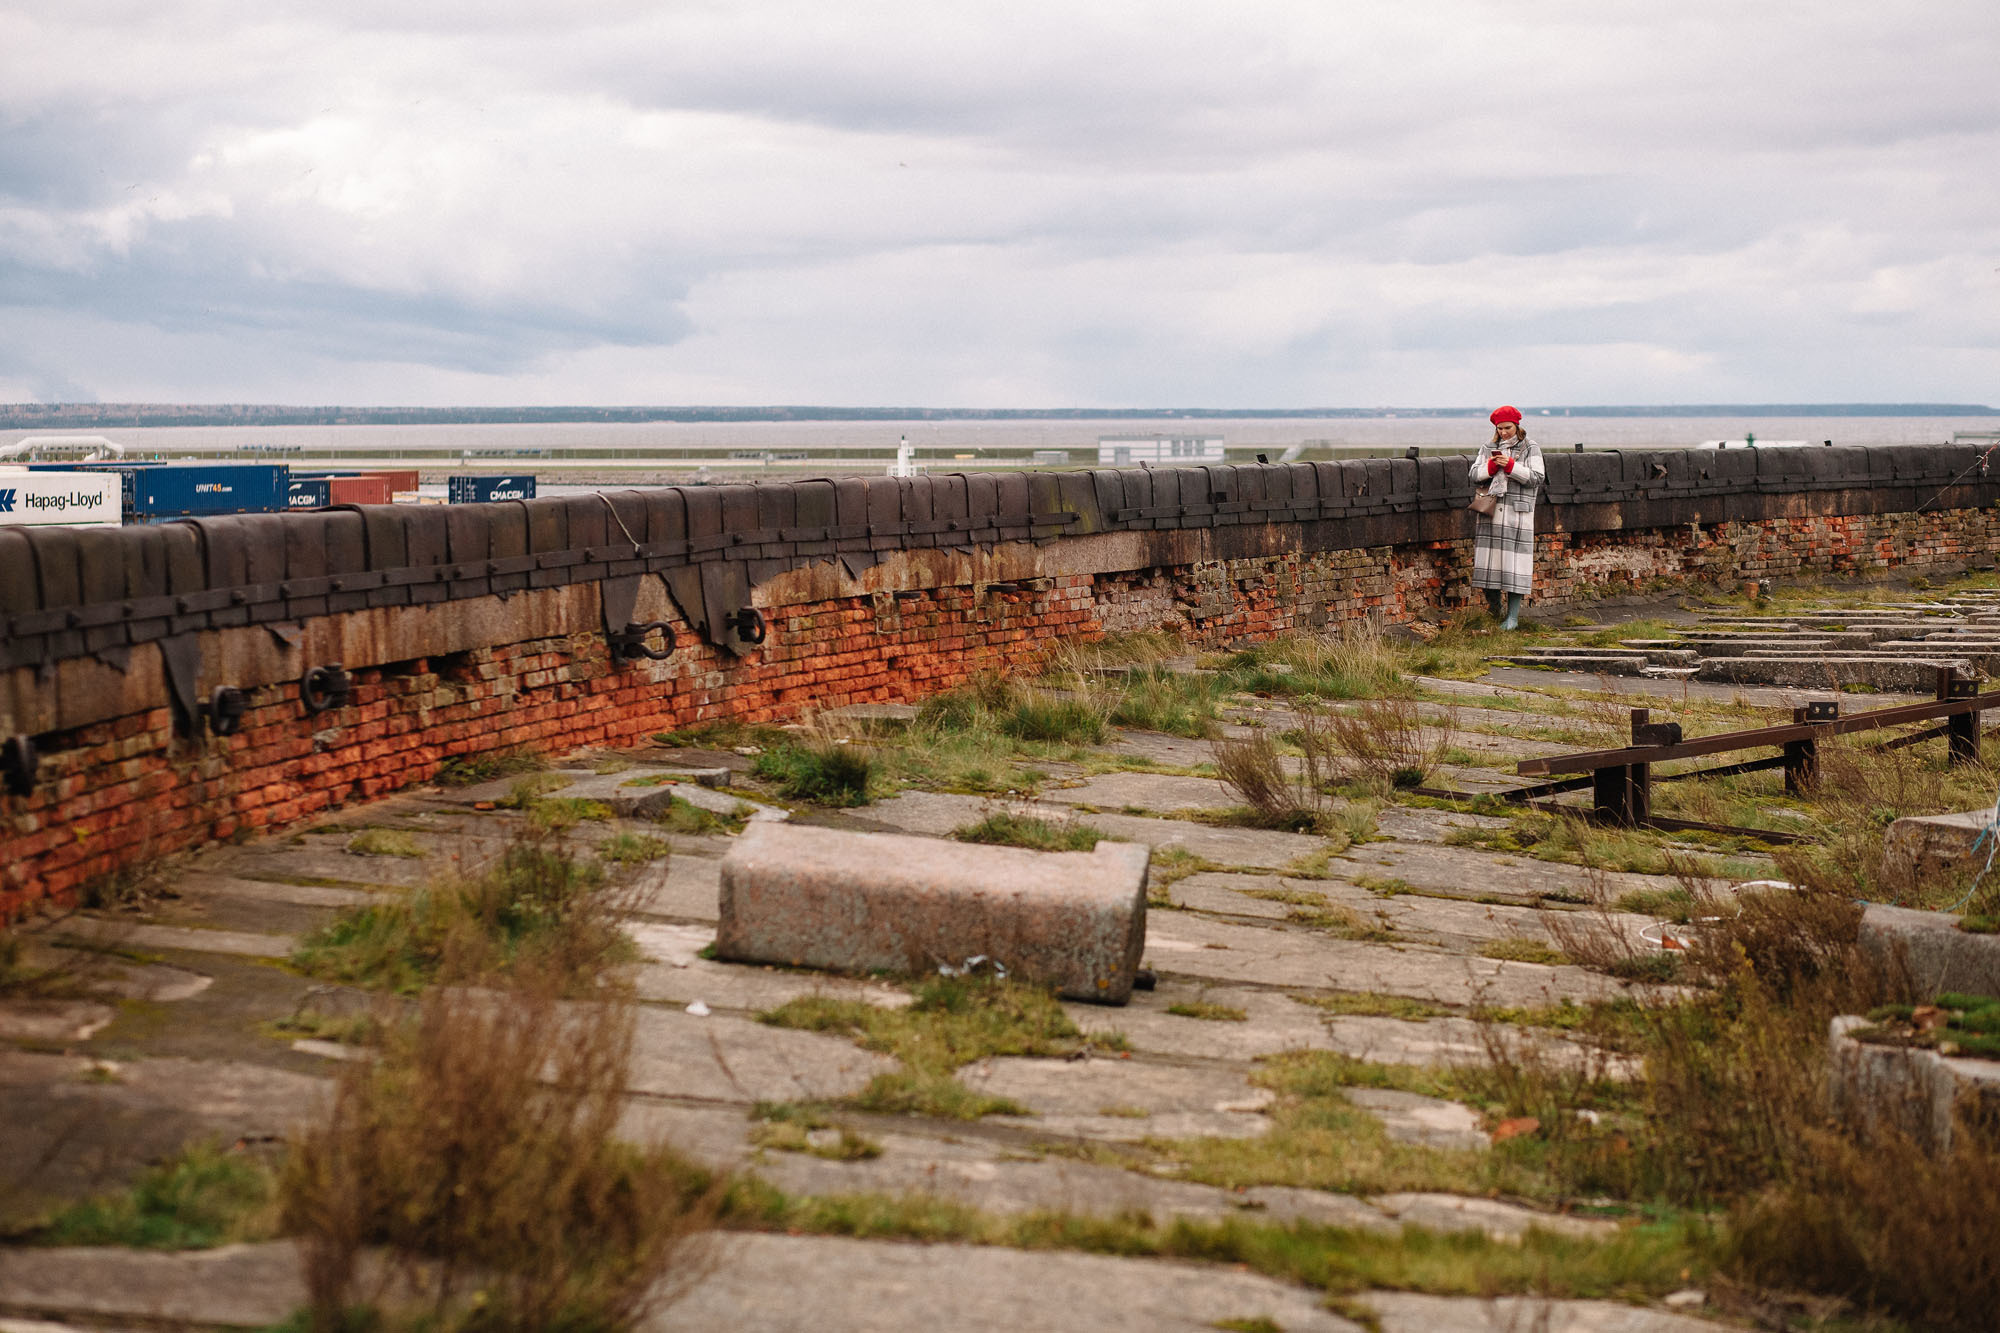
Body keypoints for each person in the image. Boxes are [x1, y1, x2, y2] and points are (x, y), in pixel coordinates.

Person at [1469, 405, 1544, 630]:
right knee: (1488, 565)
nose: (1503, 432)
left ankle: (1512, 618)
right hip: (1490, 513)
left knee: (1515, 567)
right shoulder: (1488, 447)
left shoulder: (1530, 447)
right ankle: (1495, 610)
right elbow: (1474, 474)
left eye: (1507, 428)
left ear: (1516, 426)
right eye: (1499, 428)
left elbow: (1537, 477)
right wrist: (1491, 467)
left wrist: (1511, 466)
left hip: (1517, 515)